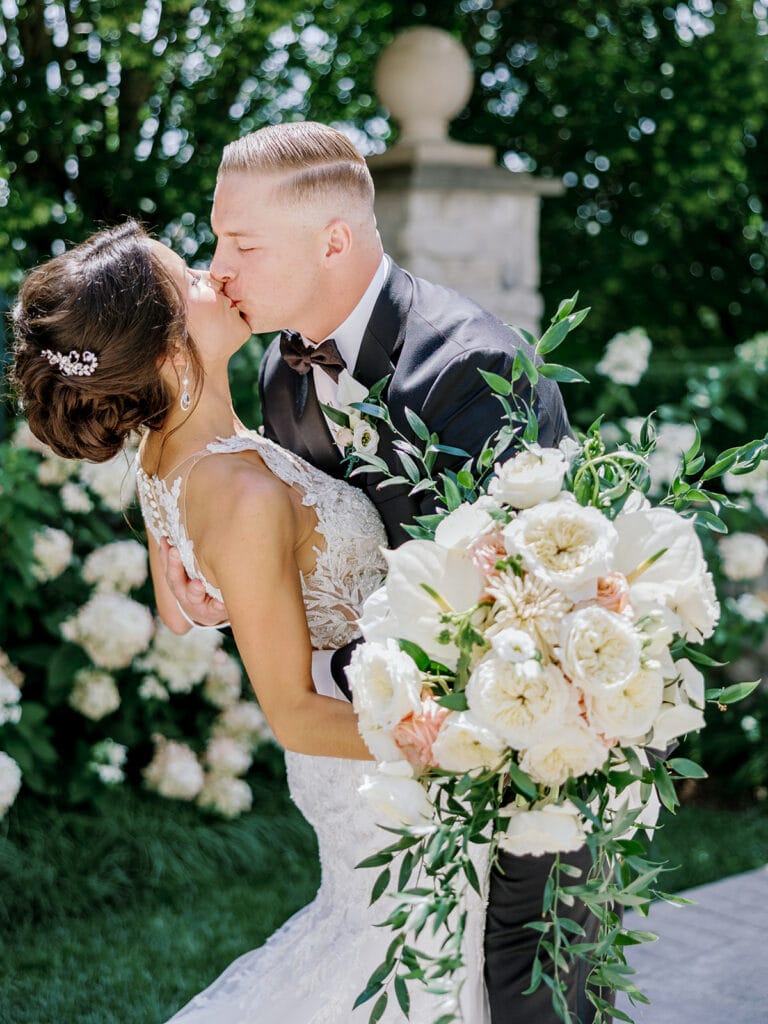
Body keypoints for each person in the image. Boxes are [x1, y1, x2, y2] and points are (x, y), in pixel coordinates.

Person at [163, 121, 601, 1024]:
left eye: (241, 242)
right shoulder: (285, 380)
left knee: (524, 995)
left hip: (518, 763)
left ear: (333, 239)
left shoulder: (471, 366)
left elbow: (546, 600)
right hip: (388, 771)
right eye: (216, 237)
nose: (221, 266)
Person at [8, 220, 490, 1023]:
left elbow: (178, 600)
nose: (215, 275)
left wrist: (187, 584)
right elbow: (293, 717)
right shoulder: (238, 490)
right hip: (372, 756)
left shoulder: (164, 449)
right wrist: (455, 739)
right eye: (189, 279)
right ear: (166, 351)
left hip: (367, 739)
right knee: (416, 972)